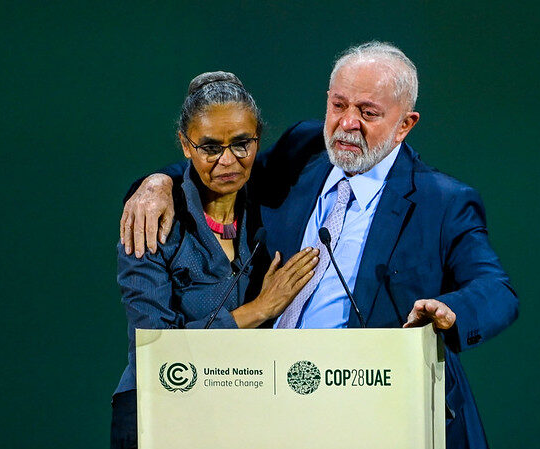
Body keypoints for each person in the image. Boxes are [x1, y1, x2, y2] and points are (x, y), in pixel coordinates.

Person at [120, 43, 519, 449]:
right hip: (266, 404)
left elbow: (497, 290)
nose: (347, 123)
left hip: (379, 411)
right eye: (338, 105)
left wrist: (450, 312)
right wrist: (157, 182)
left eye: (368, 113)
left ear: (405, 124)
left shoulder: (442, 201)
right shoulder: (303, 149)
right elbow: (225, 162)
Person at [110, 71, 319, 449]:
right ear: (185, 145)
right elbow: (154, 348)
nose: (228, 161)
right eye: (210, 147)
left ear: (258, 139)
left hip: (246, 405)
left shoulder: (272, 208)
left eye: (242, 144)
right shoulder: (150, 219)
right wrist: (259, 309)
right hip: (159, 407)